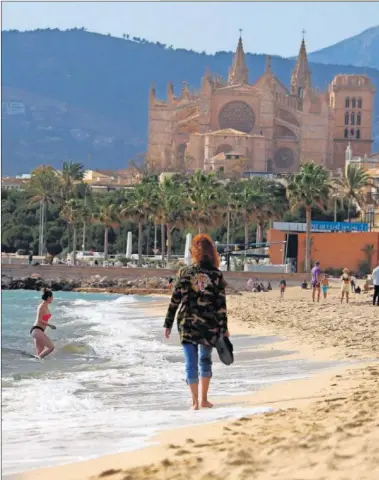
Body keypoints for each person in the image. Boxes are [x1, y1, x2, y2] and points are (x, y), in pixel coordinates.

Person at [163, 234, 229, 410]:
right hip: (209, 324)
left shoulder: (185, 272)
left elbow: (175, 300)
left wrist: (168, 323)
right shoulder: (216, 275)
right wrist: (224, 328)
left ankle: (194, 403)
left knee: (191, 363)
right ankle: (204, 400)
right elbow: (221, 305)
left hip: (187, 324)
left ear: (194, 251)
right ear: (211, 252)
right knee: (205, 360)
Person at [30, 288, 56, 358]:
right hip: (37, 330)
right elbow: (39, 320)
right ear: (48, 298)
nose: (52, 299)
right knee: (51, 347)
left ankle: (38, 366)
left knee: (40, 353)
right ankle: (36, 360)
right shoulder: (42, 306)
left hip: (39, 331)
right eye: (52, 297)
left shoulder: (45, 306)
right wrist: (50, 325)